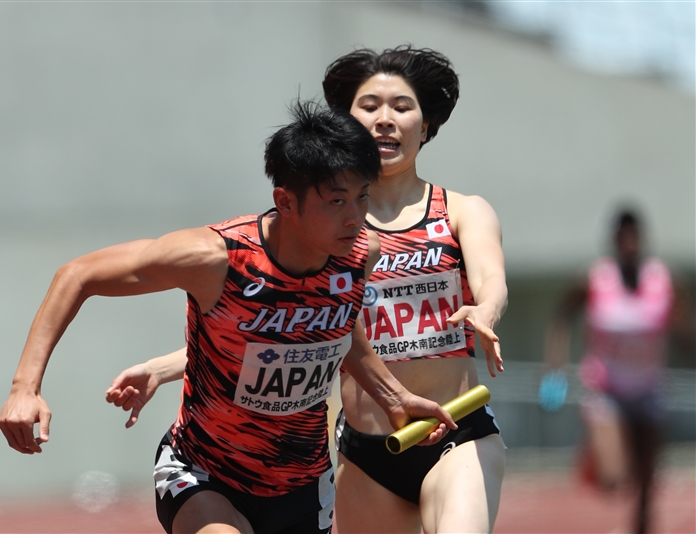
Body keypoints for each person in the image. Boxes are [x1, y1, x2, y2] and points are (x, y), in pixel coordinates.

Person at [0, 101, 456, 534]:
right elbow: (77, 275)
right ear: (286, 200)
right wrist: (24, 388)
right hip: (204, 474)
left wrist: (393, 396)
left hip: (302, 482)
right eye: (337, 202)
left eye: (362, 197)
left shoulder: (359, 254)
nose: (357, 217)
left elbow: (338, 325)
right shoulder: (215, 257)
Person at [108, 46, 508, 534]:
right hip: (365, 454)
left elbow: (492, 282)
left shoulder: (461, 211)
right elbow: (277, 333)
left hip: (453, 431)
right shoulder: (320, 228)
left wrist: (484, 309)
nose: (385, 120)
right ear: (343, 126)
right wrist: (163, 367)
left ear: (425, 127)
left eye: (402, 107)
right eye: (369, 107)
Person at [542, 208, 692, 534]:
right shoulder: (596, 278)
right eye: (623, 238)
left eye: (635, 237)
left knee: (647, 482)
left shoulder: (663, 279)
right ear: (613, 241)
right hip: (606, 389)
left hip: (649, 389)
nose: (630, 245)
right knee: (616, 479)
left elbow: (686, 329)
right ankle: (594, 456)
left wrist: (685, 333)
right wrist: (555, 366)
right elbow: (562, 316)